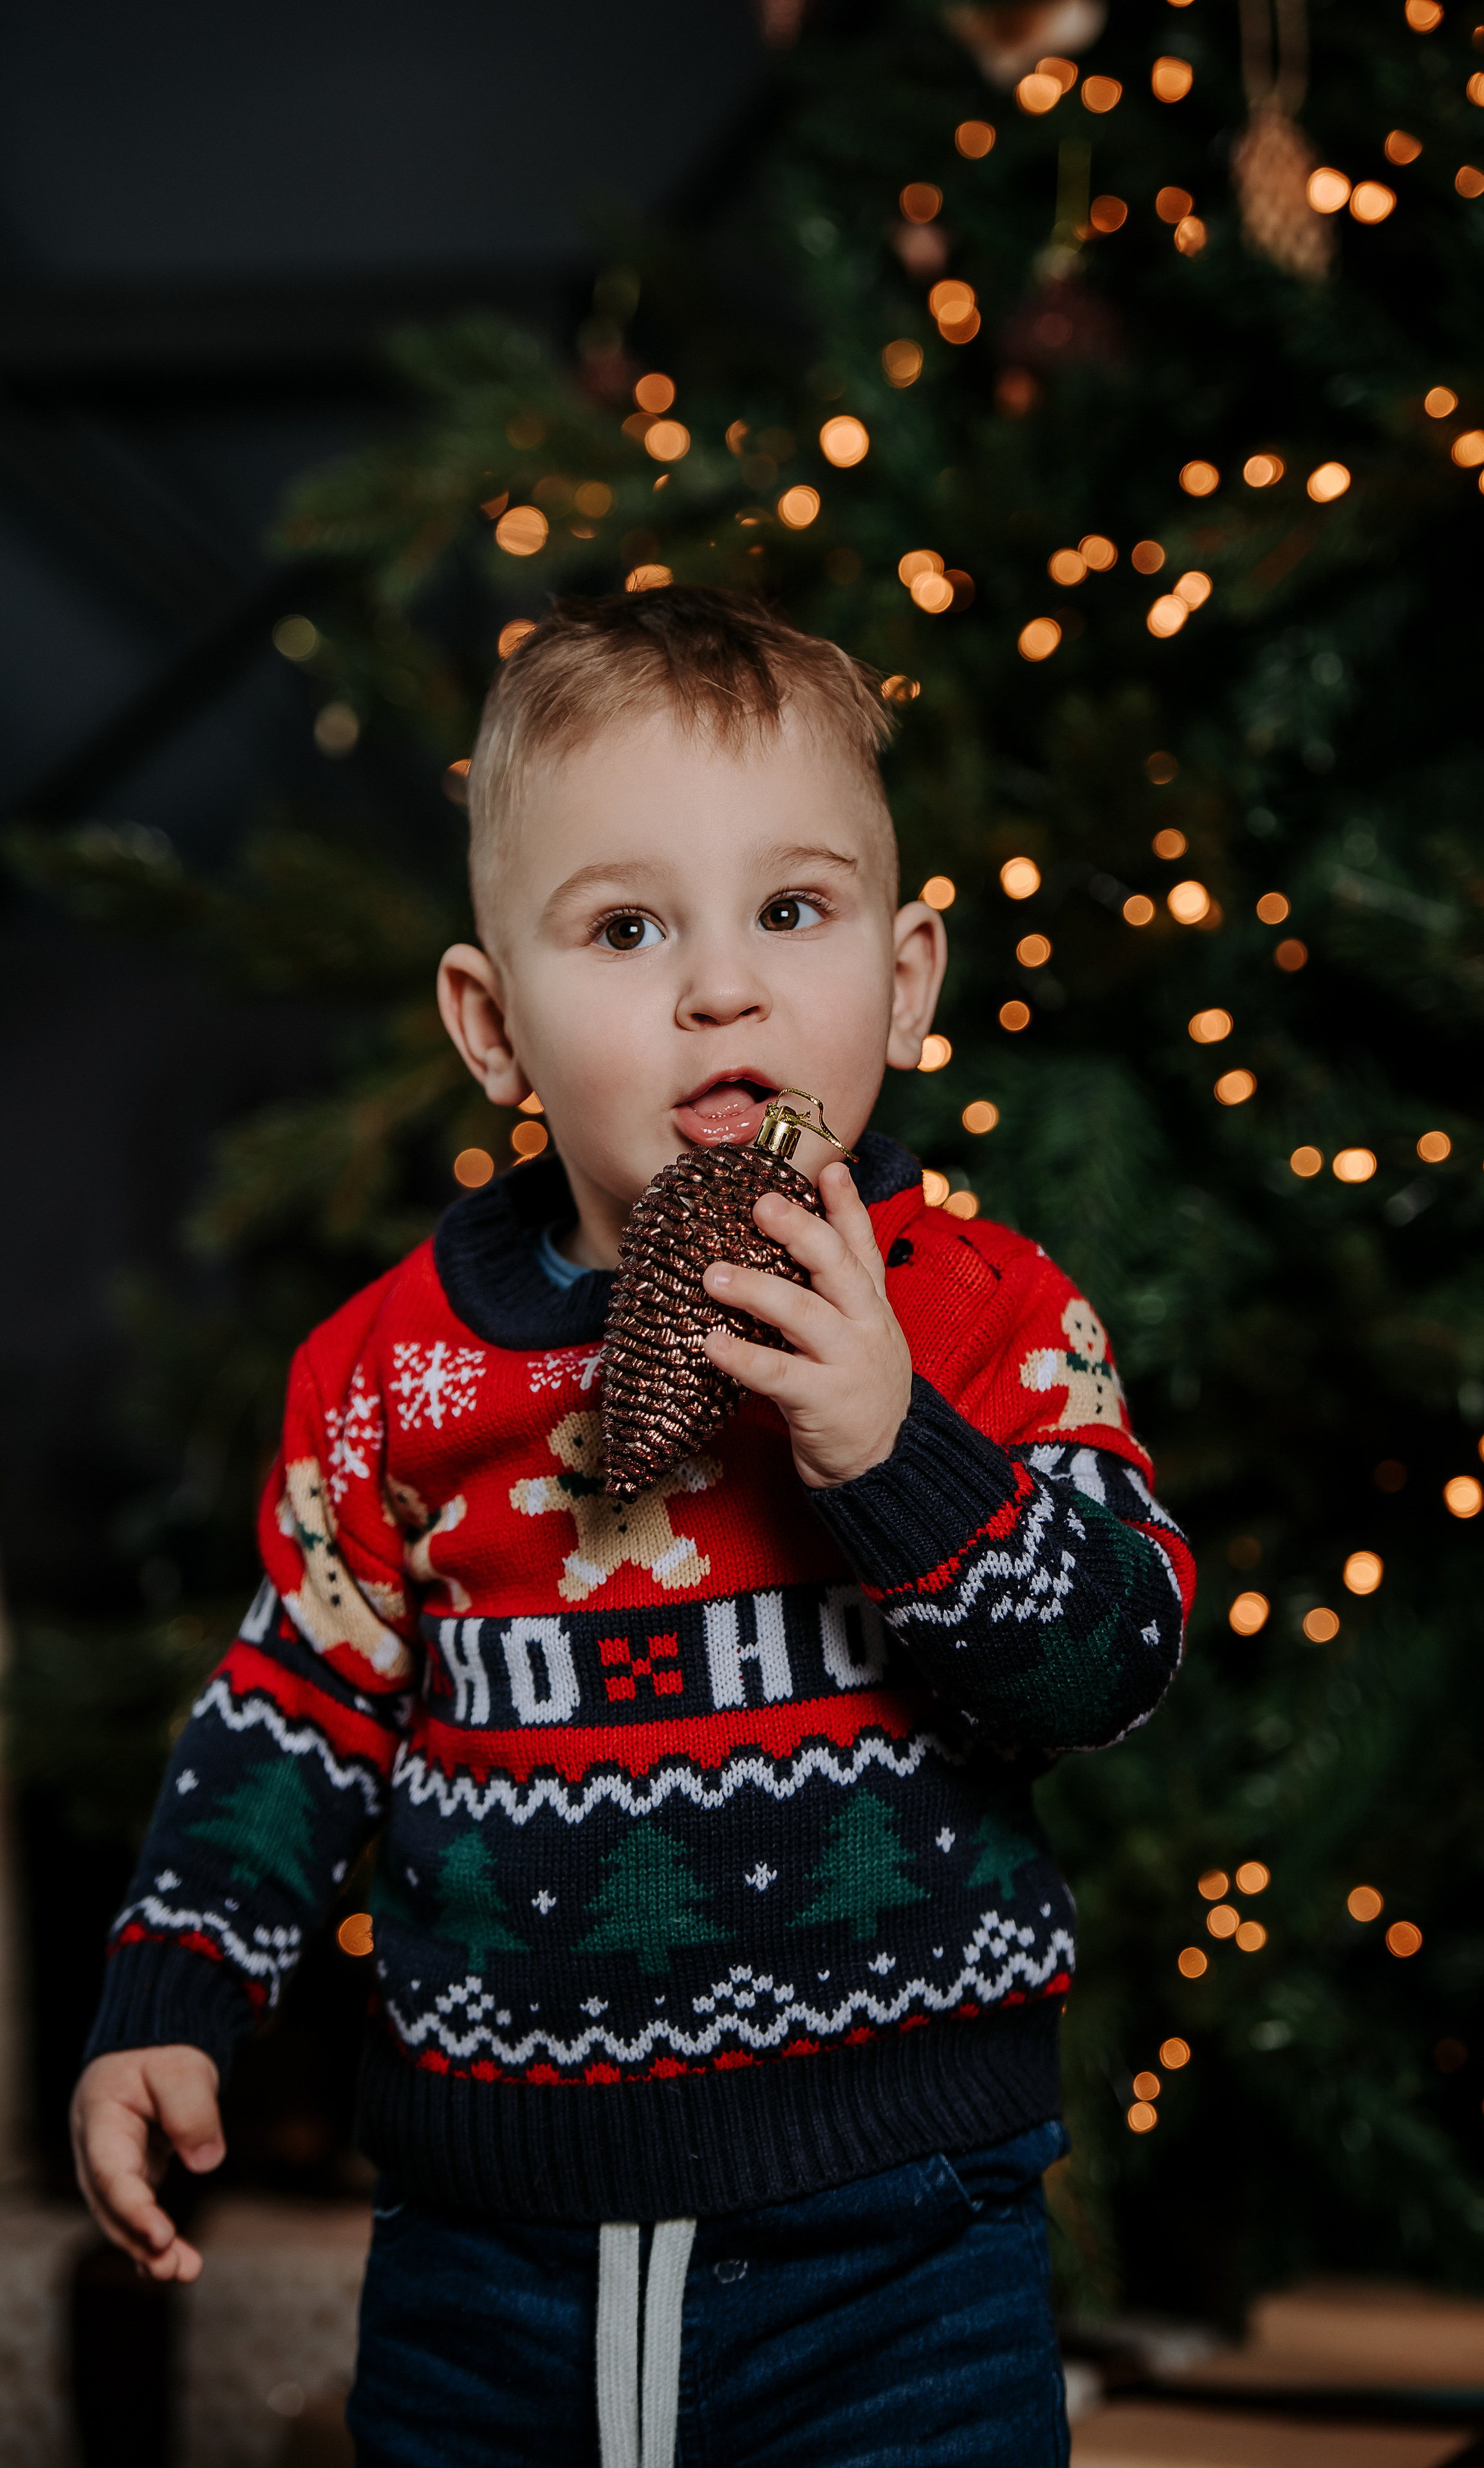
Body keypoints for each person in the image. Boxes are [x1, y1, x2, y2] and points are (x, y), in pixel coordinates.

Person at [70, 586, 1194, 2467]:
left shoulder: (988, 1316)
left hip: (899, 2247)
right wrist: (174, 1986)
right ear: (493, 1023)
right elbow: (296, 1699)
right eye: (627, 927)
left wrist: (891, 1442)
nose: (721, 990)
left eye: (793, 910)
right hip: (487, 2261)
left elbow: (1113, 1658)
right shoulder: (392, 1371)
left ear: (907, 980)